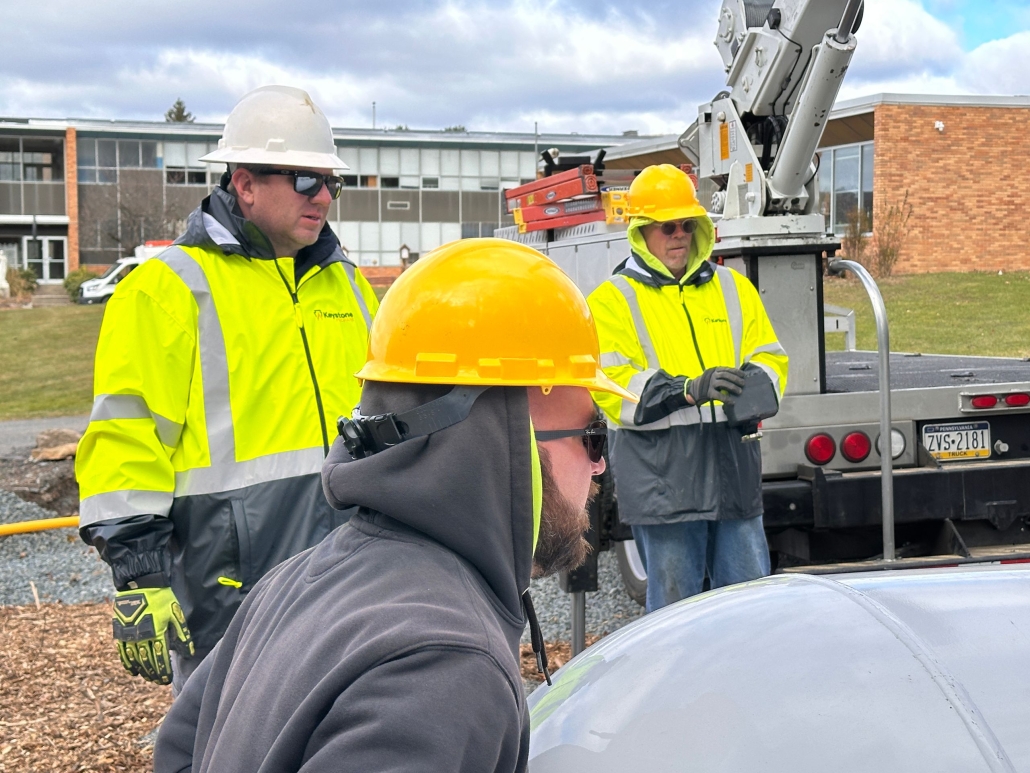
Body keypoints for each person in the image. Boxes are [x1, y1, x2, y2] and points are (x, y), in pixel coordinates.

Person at [152, 238, 637, 773]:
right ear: (501, 442)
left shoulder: (293, 582)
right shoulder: (444, 667)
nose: (599, 467)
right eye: (593, 436)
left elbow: (178, 749)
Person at [74, 85, 380, 690]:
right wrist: (139, 574)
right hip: (231, 587)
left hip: (352, 567)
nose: (322, 196)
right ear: (243, 183)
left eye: (329, 183)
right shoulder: (166, 289)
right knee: (228, 740)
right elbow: (126, 435)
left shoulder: (347, 286)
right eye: (302, 179)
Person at [588, 164, 788, 612]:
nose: (679, 235)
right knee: (676, 615)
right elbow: (612, 388)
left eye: (687, 224)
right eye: (667, 227)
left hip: (732, 470)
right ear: (642, 232)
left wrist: (753, 389)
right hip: (664, 481)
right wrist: (687, 390)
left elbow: (771, 358)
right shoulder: (611, 300)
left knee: (751, 607)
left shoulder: (733, 288)